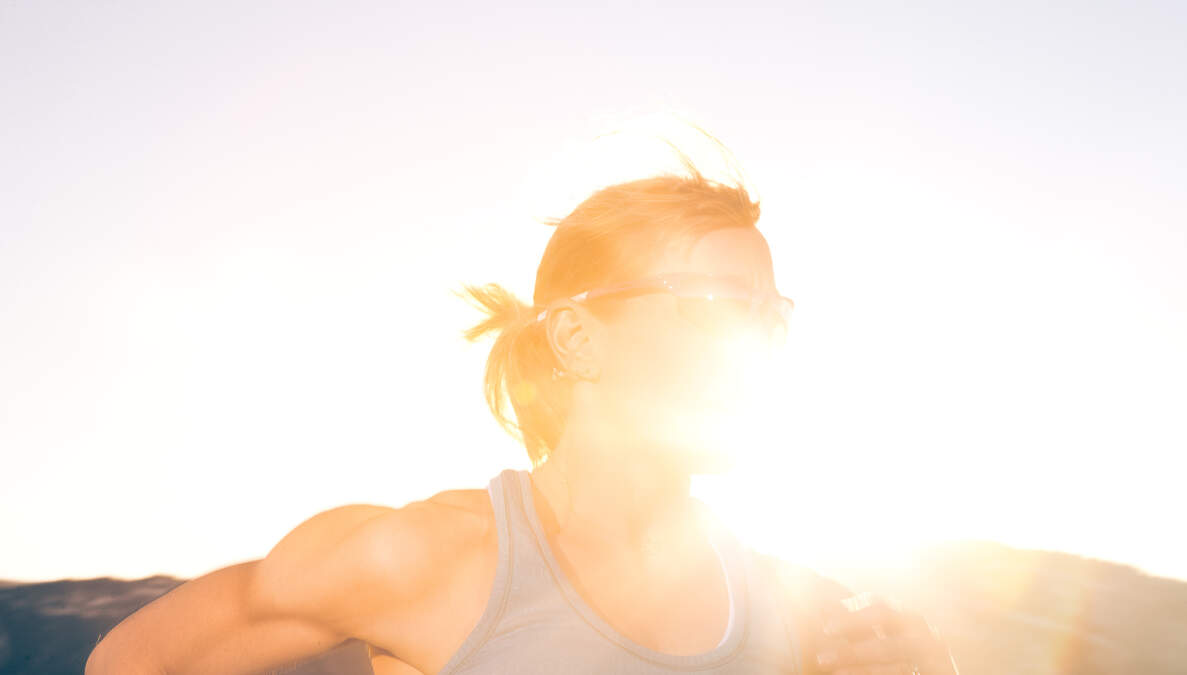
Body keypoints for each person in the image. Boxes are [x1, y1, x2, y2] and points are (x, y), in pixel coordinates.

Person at [86, 141, 959, 675]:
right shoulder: (422, 559)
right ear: (577, 337)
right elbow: (133, 659)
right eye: (721, 304)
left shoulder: (798, 610)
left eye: (772, 314)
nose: (760, 340)